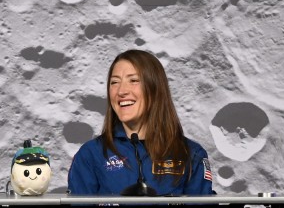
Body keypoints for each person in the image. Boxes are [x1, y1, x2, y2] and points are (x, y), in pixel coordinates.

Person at [68, 49, 214, 195]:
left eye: (133, 80)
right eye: (114, 82)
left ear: (155, 88)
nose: (121, 91)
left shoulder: (191, 154)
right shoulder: (90, 155)